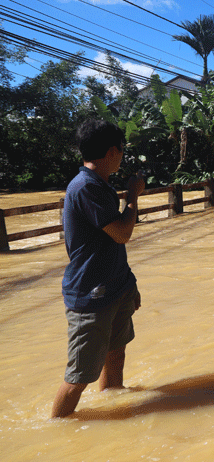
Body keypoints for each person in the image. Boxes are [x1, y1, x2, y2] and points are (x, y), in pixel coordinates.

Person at [52, 119, 145, 418]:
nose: (122, 155)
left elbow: (112, 246)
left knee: (116, 353)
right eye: (121, 150)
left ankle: (113, 410)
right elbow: (122, 233)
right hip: (90, 295)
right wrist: (133, 194)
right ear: (112, 151)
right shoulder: (85, 188)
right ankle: (56, 433)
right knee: (78, 377)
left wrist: (129, 285)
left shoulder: (100, 185)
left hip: (115, 287)